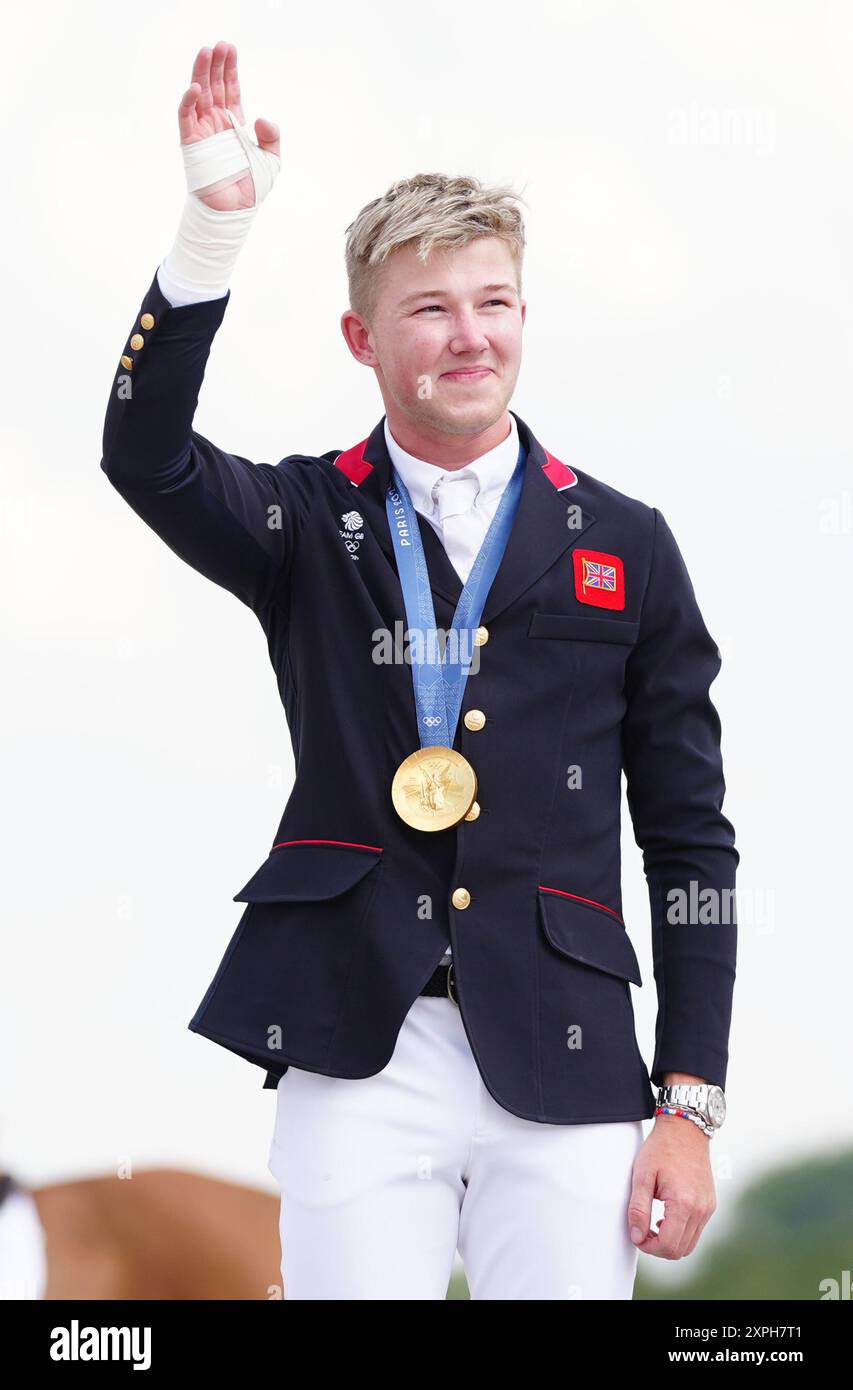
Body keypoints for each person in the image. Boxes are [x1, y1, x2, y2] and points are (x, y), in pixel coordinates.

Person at [100, 40, 738, 1300]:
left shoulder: (627, 542)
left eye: (494, 302)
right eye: (431, 308)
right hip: (355, 1045)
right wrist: (210, 235)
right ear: (362, 334)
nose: (469, 336)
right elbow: (143, 453)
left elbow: (690, 840)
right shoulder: (298, 520)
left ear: (522, 315)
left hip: (567, 1051)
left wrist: (690, 1099)